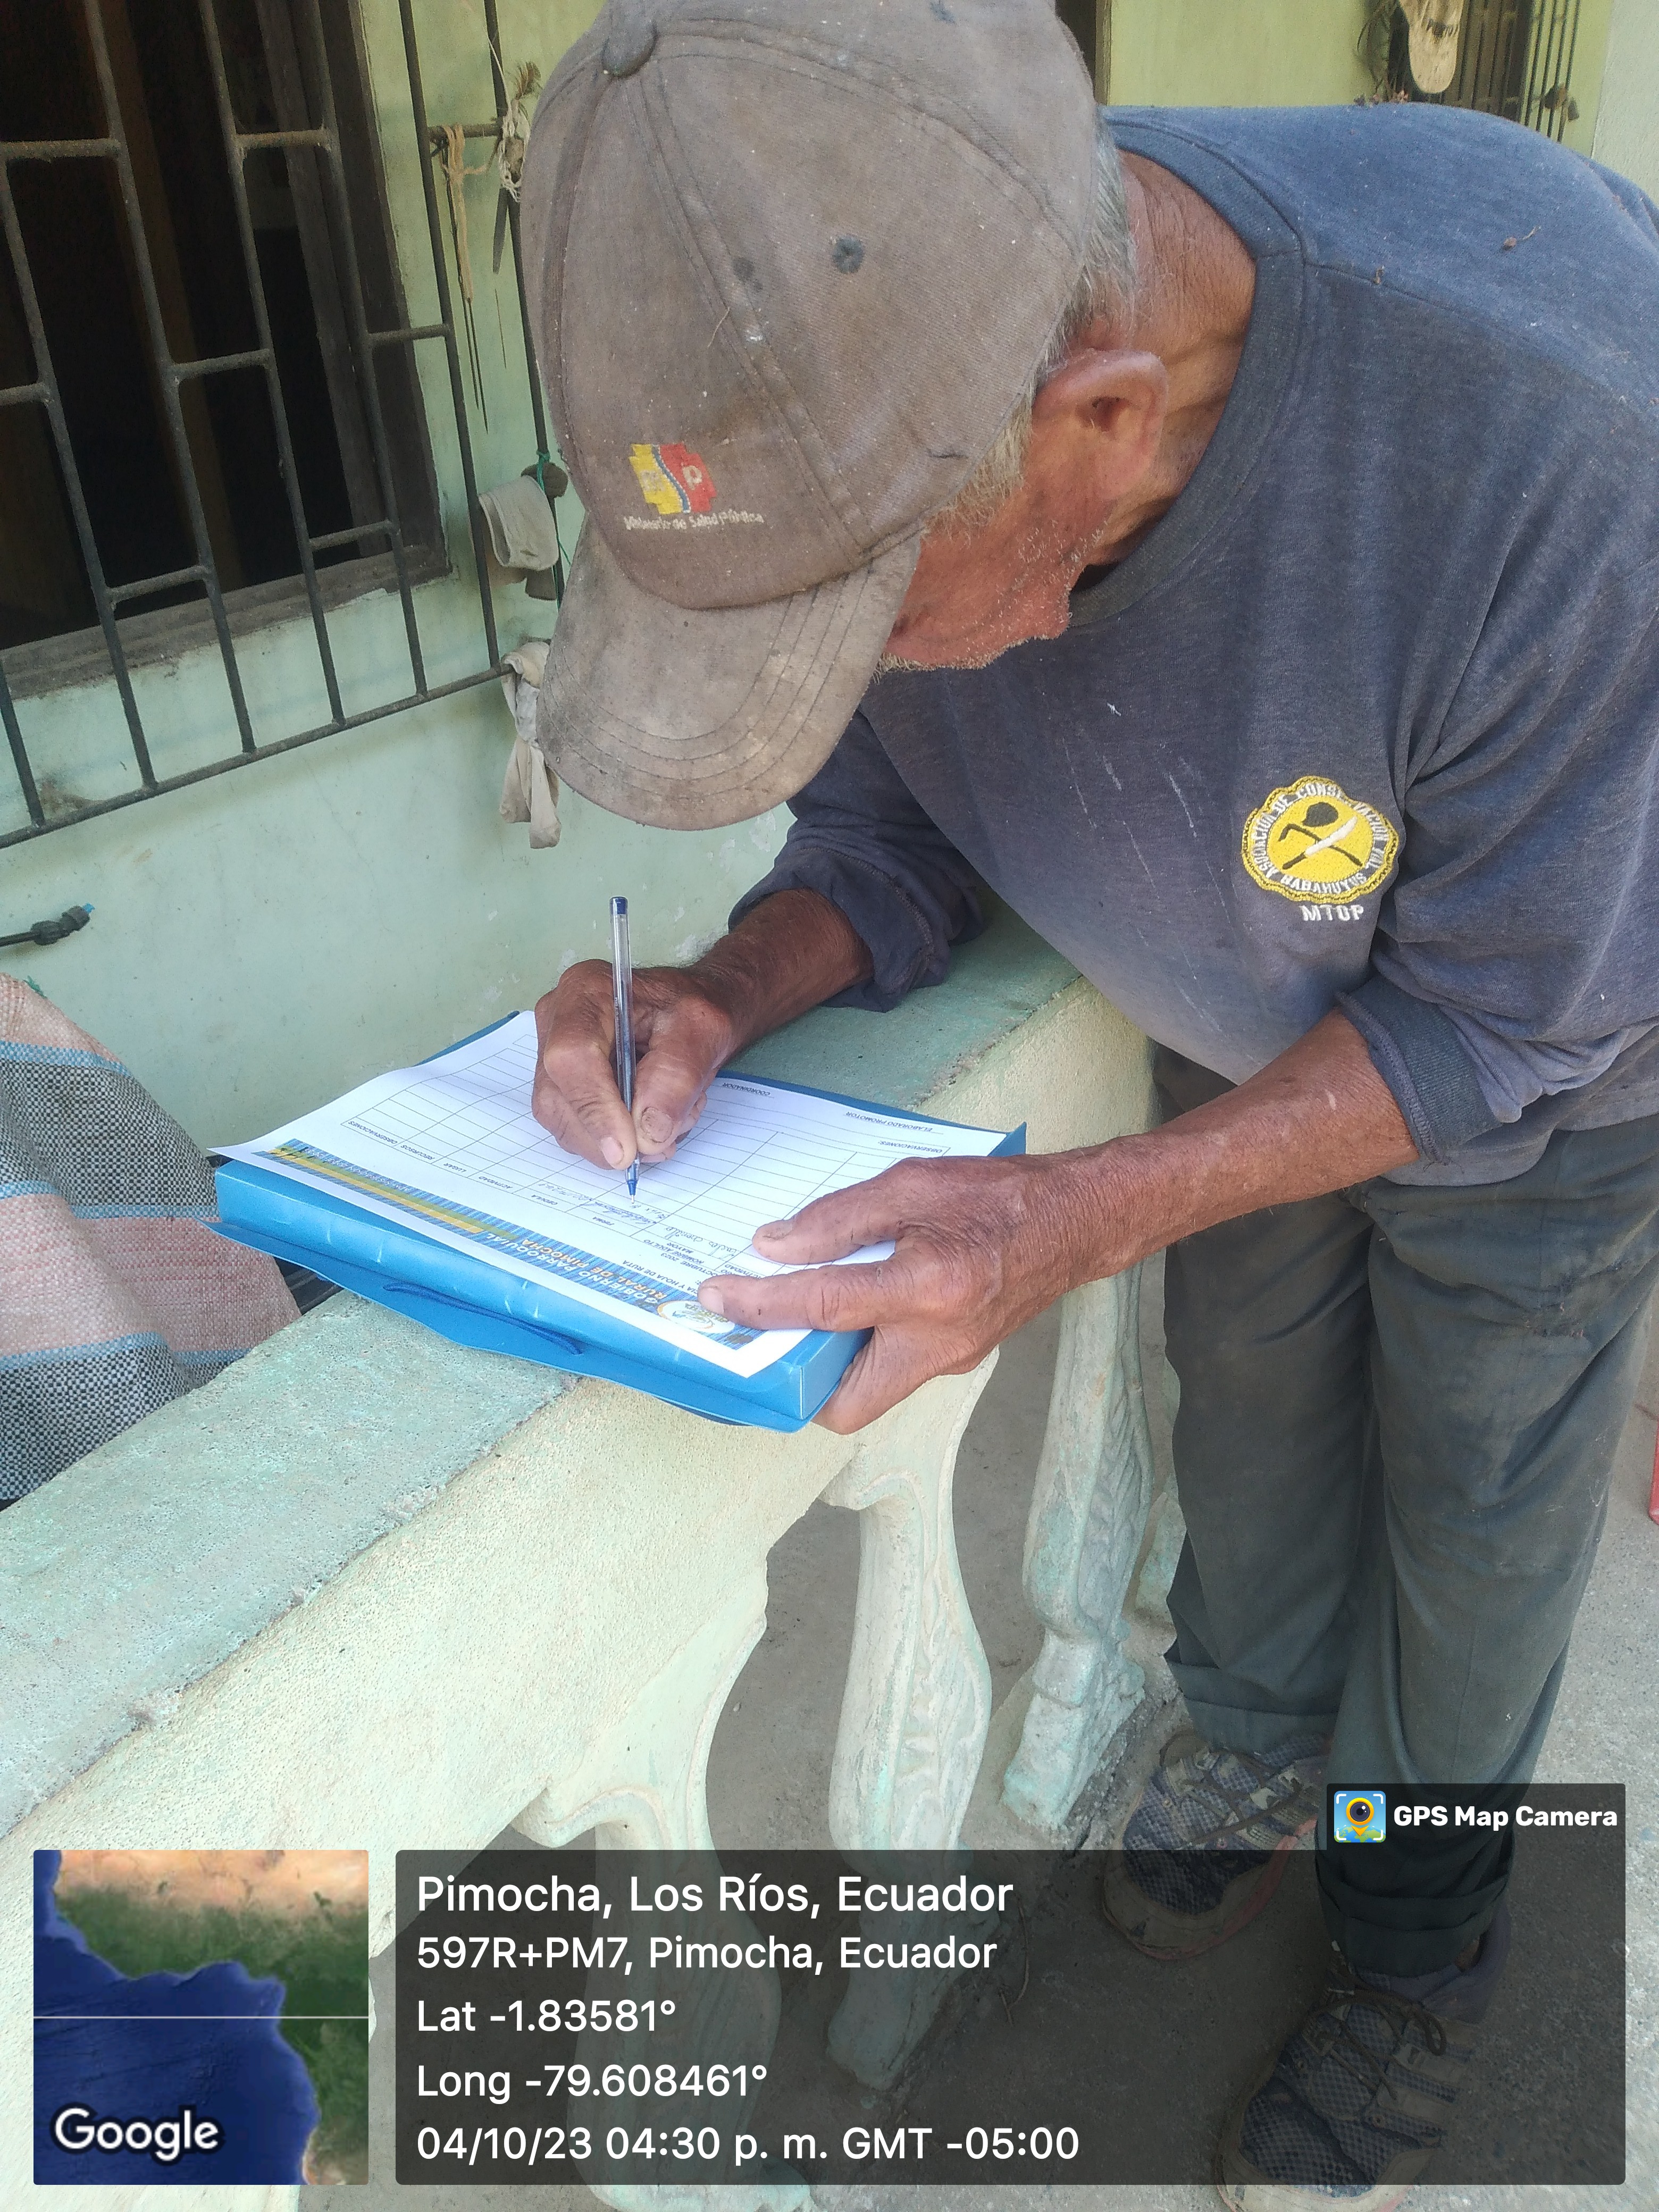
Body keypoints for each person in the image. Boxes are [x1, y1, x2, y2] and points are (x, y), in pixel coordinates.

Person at [518, 4, 1659, 2203]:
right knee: (1250, 1421)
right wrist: (727, 989)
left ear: (1106, 424)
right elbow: (890, 831)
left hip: (1559, 1073)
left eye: (859, 626)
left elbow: (1487, 1023)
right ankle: (1253, 1744)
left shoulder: (1559, 449)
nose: (845, 681)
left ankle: (1417, 1940)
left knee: (1473, 1526)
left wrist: (1072, 1216)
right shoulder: (884, 334)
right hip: (1241, 1012)